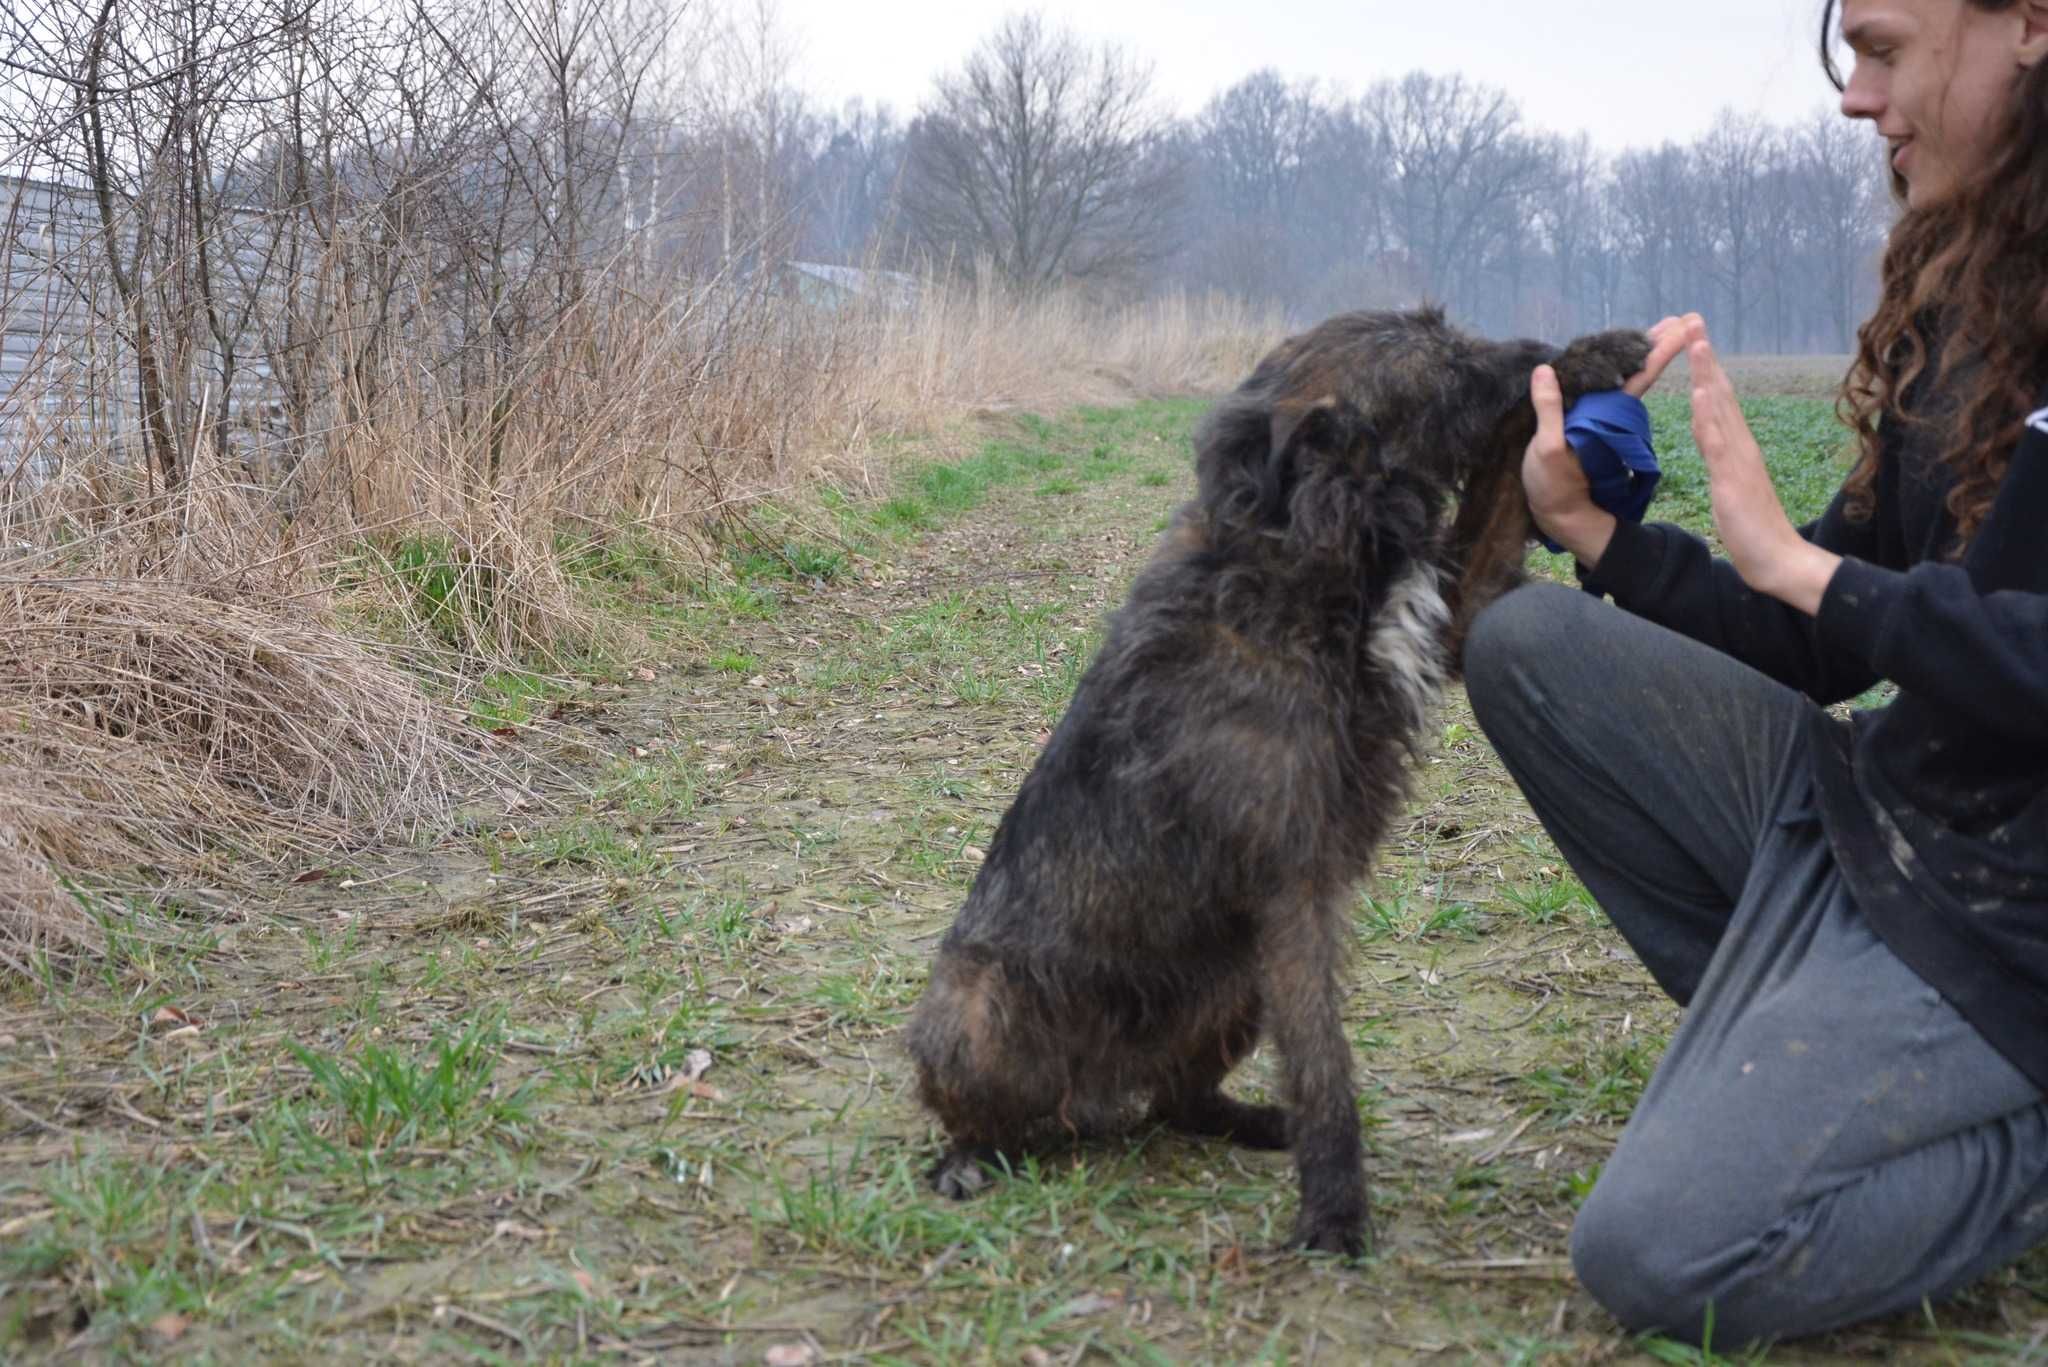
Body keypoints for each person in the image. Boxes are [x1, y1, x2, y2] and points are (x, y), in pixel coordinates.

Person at [1462, 0, 2048, 1346]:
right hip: (1893, 829)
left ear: (2027, 22)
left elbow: (1847, 595)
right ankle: (1806, 1042)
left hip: (2020, 931)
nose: (1855, 95)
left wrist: (1816, 574)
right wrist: (1602, 537)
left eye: (1887, 48)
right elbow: (1830, 628)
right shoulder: (1976, 276)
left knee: (1661, 1256)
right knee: (1528, 644)